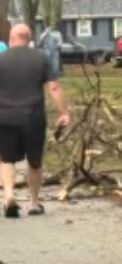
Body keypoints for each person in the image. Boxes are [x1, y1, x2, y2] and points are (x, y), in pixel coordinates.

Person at [0, 23, 71, 218]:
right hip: (33, 117)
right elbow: (54, 88)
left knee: (6, 159)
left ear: (11, 39)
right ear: (29, 39)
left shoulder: (1, 58)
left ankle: (8, 197)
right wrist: (63, 112)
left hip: (5, 116)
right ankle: (33, 203)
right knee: (34, 161)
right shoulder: (42, 58)